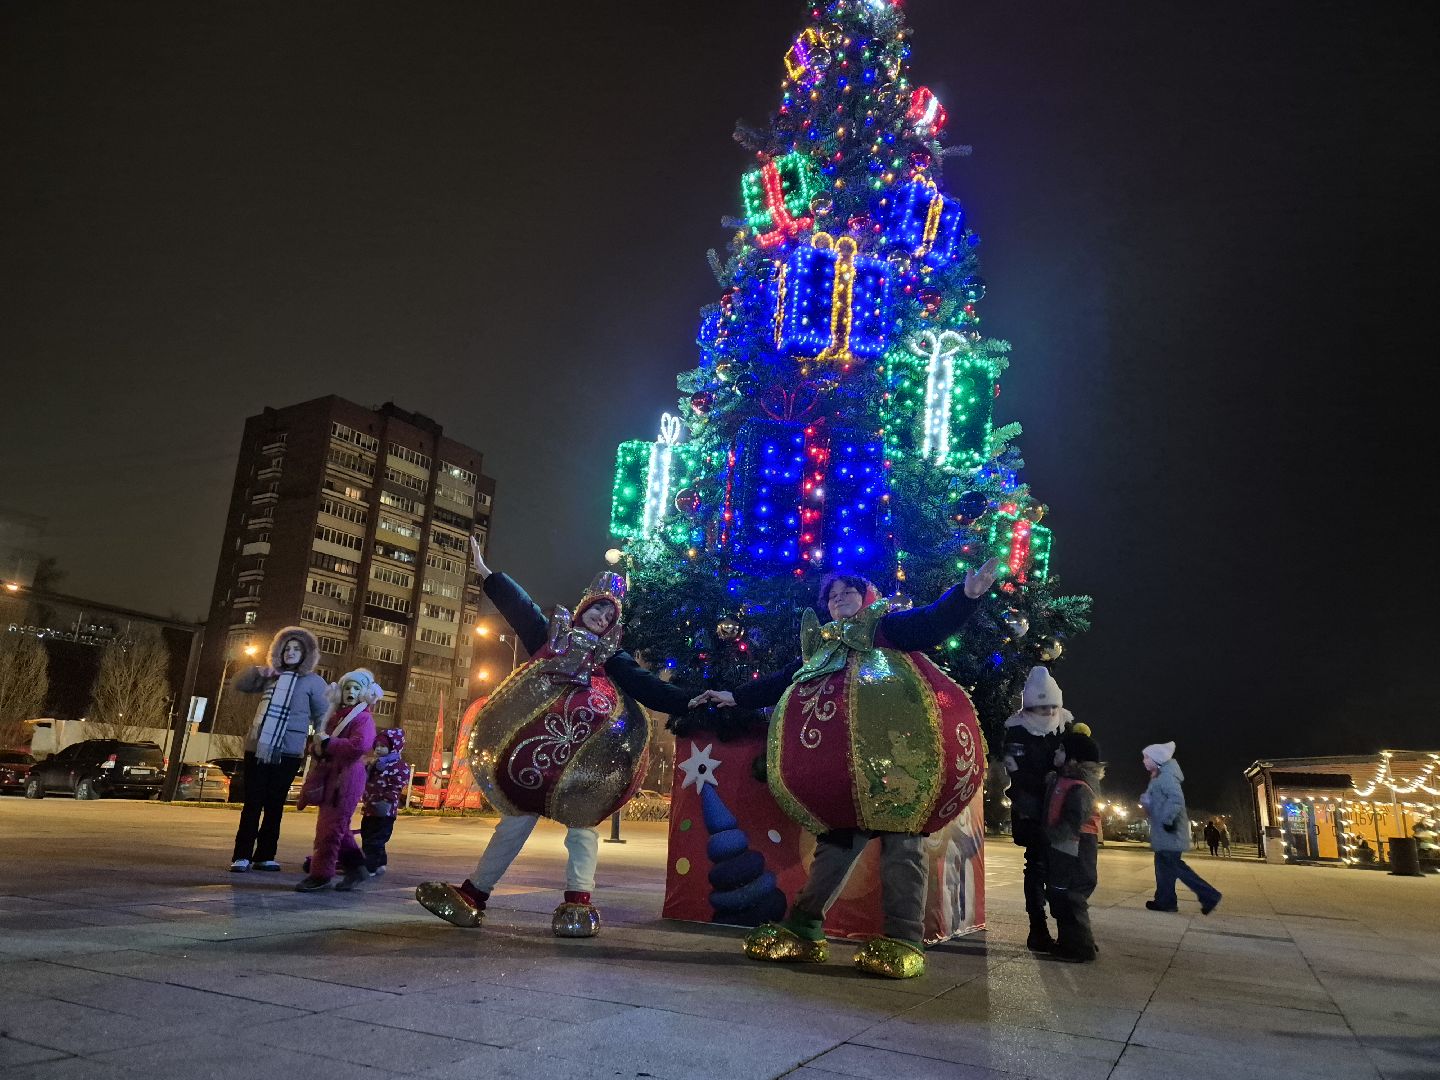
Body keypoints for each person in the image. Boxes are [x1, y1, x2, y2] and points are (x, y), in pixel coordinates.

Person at [688, 557, 1000, 979]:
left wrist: (966, 596)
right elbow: (782, 679)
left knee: (901, 847)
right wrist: (735, 695)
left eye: (847, 592)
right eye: (832, 596)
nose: (838, 600)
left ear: (866, 594)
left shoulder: (887, 628)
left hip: (899, 774)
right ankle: (804, 927)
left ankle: (903, 938)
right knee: (833, 850)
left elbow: (931, 622)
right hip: (842, 778)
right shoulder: (823, 647)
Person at [415, 539, 698, 937]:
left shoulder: (612, 659)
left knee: (583, 829)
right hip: (531, 761)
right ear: (584, 608)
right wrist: (487, 573)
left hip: (587, 769)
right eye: (598, 607)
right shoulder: (551, 639)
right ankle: (474, 894)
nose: (602, 616)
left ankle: (578, 903)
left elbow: (648, 688)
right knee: (514, 822)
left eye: (609, 613)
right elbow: (521, 609)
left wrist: (693, 702)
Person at [229, 627, 330, 873]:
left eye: (296, 649)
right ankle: (242, 856)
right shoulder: (270, 675)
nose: (291, 652)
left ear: (306, 653)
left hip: (288, 751)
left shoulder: (314, 682)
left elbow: (323, 715)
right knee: (252, 802)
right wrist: (257, 668)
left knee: (274, 804)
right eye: (286, 648)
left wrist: (321, 740)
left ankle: (265, 855)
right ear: (278, 652)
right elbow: (238, 683)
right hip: (258, 747)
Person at [1001, 666, 1072, 952]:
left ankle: (1068, 928)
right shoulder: (1017, 730)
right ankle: (1038, 927)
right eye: (1043, 708)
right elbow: (1016, 773)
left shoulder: (1064, 726)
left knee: (1060, 868)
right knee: (1037, 866)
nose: (1048, 713)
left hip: (1057, 807)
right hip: (1031, 808)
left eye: (1052, 707)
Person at [293, 669, 381, 892]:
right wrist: (317, 748)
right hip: (333, 775)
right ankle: (356, 869)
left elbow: (359, 746)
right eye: (347, 688)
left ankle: (321, 875)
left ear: (364, 693)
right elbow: (324, 744)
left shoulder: (363, 718)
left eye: (356, 688)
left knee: (331, 829)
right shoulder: (336, 717)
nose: (350, 691)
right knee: (333, 827)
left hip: (347, 777)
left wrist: (327, 745)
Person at [1043, 729, 1104, 963]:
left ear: (1073, 758)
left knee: (1072, 897)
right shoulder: (1063, 779)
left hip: (1077, 849)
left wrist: (1050, 835)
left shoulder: (1080, 787)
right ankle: (1070, 942)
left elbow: (1073, 819)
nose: (1055, 752)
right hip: (1064, 849)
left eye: (1061, 749)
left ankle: (1082, 947)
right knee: (1061, 895)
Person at [1140, 742, 1221, 914]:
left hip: (1170, 830)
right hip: (1164, 831)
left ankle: (1209, 895)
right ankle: (1165, 901)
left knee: (1174, 866)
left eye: (1146, 757)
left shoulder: (1166, 777)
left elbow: (1176, 800)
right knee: (1163, 868)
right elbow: (1159, 804)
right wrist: (1147, 802)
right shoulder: (1158, 777)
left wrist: (1168, 820)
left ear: (1157, 759)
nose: (1144, 761)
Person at [360, 727, 408, 877]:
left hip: (385, 810)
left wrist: (387, 800)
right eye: (377, 746)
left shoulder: (397, 766)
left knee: (375, 840)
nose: (378, 749)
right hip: (370, 808)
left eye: (383, 746)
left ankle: (370, 867)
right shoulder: (374, 764)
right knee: (367, 835)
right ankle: (380, 862)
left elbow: (397, 785)